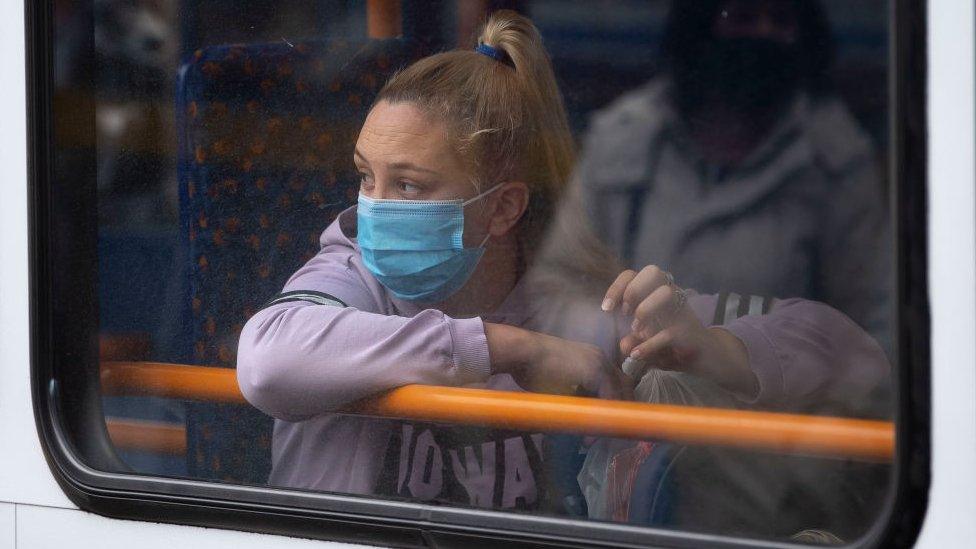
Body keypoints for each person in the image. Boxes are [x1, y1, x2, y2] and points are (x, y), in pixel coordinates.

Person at [236, 9, 888, 526]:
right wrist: (509, 349)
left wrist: (713, 349)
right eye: (365, 177)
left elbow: (851, 351)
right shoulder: (352, 277)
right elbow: (268, 357)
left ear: (502, 209)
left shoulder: (578, 307)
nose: (371, 209)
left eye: (408, 186)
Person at [571, 0, 893, 354]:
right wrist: (608, 348)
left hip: (773, 404)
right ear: (701, 26)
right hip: (635, 397)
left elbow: (876, 327)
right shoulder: (626, 135)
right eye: (742, 17)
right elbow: (559, 286)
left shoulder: (835, 156)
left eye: (781, 20)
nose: (763, 33)